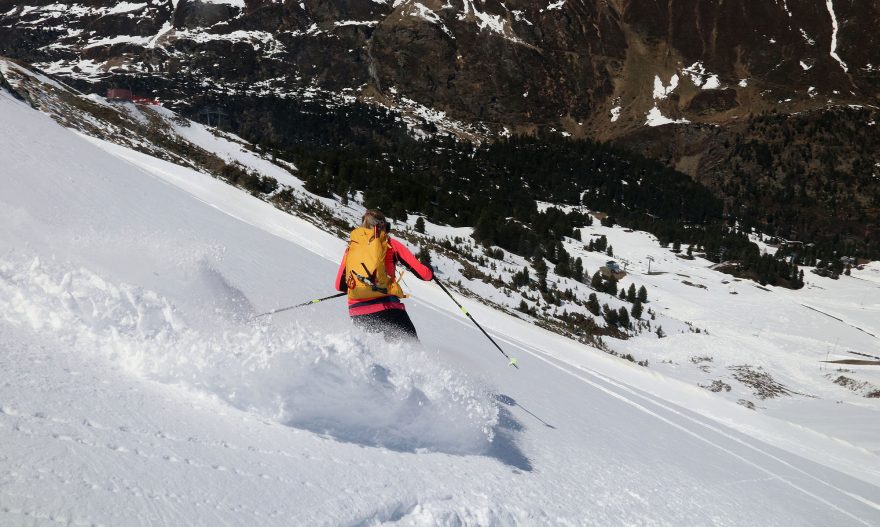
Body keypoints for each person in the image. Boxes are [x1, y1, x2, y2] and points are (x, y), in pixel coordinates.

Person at [335, 209, 433, 340]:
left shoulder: (352, 247)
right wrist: (429, 269)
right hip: (388, 309)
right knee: (412, 351)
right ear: (383, 226)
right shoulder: (390, 244)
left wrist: (363, 286)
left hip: (357, 312)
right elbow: (424, 274)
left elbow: (339, 285)